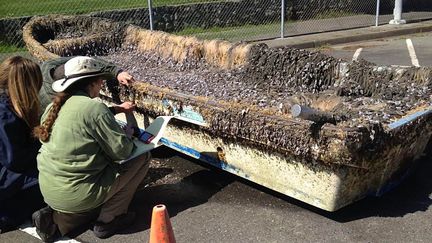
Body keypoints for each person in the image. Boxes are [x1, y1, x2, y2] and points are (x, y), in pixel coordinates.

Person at [33, 56, 151, 241]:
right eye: (101, 81)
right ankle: (109, 219)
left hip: (49, 190)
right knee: (142, 158)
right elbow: (122, 152)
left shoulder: (52, 108)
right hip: (77, 193)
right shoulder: (94, 108)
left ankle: (62, 217)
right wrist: (127, 136)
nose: (102, 85)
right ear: (93, 83)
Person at [0, 56, 46, 233]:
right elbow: (15, 161)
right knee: (51, 179)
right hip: (6, 177)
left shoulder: (11, 106)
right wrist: (42, 144)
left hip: (9, 173)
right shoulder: (5, 115)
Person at [39, 56, 135, 115]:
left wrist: (117, 72)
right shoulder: (58, 101)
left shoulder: (48, 65)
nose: (102, 83)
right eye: (100, 80)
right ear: (89, 85)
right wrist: (119, 109)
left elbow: (85, 61)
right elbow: (89, 117)